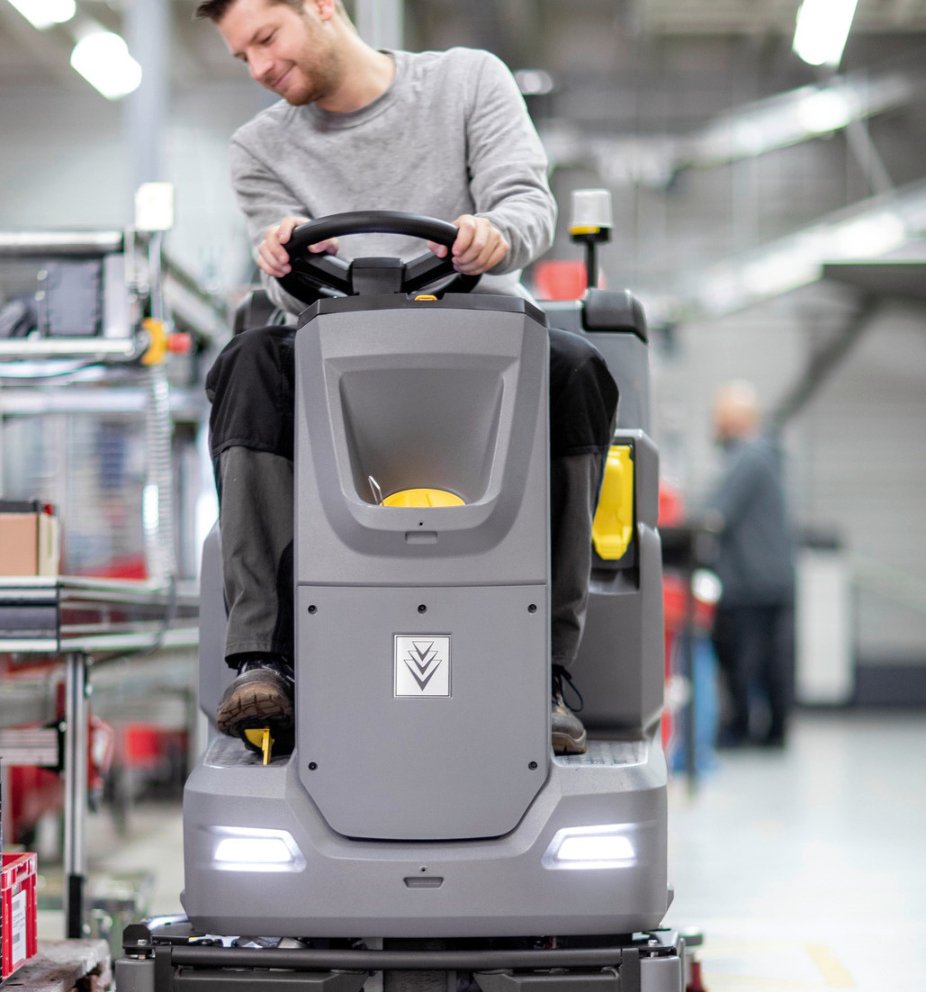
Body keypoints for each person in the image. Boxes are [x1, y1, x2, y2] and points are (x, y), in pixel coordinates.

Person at [196, 0, 618, 756]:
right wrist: (282, 259)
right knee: (247, 363)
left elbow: (526, 206)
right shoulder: (257, 149)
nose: (258, 68)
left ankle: (543, 670)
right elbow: (291, 297)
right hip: (335, 366)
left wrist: (495, 235)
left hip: (481, 352)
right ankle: (263, 662)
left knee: (579, 371)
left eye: (266, 38)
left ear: (322, 6)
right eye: (243, 57)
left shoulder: (466, 83)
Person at [706, 381, 796, 748]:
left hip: (750, 581)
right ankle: (775, 731)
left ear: (735, 419)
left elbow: (718, 514)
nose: (716, 425)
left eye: (720, 417)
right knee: (775, 660)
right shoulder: (766, 455)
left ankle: (741, 729)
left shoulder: (747, 457)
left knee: (741, 659)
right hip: (774, 578)